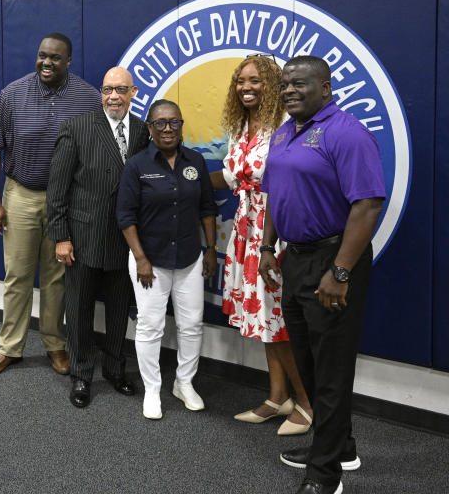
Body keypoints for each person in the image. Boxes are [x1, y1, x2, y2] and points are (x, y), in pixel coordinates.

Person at [259, 56, 384, 494]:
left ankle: (325, 474)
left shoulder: (347, 133)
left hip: (334, 262)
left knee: (331, 370)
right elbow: (275, 192)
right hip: (294, 260)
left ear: (326, 88)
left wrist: (341, 271)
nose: (290, 90)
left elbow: (367, 205)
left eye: (300, 83)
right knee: (309, 362)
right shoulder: (283, 131)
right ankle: (340, 448)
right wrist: (265, 246)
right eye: (286, 84)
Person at [0, 32, 99, 377]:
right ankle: (10, 347)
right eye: (42, 55)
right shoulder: (12, 95)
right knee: (17, 275)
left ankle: (54, 344)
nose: (47, 62)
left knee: (56, 277)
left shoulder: (88, 98)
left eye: (55, 58)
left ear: (68, 62)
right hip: (19, 195)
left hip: (65, 202)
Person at [209, 55, 313, 435]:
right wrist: (182, 179)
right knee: (264, 318)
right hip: (245, 229)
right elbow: (231, 176)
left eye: (255, 80)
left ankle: (306, 403)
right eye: (240, 81)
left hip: (275, 233)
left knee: (280, 320)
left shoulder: (288, 125)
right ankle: (277, 397)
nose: (246, 87)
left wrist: (273, 241)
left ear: (272, 84)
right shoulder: (242, 124)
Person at [46, 67, 148, 408]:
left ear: (133, 92)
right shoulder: (77, 128)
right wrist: (61, 236)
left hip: (125, 239)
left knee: (120, 307)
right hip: (83, 236)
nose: (113, 96)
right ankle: (81, 374)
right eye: (107, 90)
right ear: (101, 93)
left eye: (120, 89)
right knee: (78, 310)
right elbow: (57, 191)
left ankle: (115, 370)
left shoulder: (144, 132)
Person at [116, 99, 217, 420]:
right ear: (149, 128)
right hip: (150, 262)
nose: (168, 129)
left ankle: (184, 384)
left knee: (191, 326)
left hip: (189, 259)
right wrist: (140, 258)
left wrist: (211, 249)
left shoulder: (195, 162)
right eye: (160, 123)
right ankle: (152, 390)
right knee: (150, 328)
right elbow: (125, 216)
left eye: (174, 122)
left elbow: (207, 209)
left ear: (182, 125)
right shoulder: (136, 165)